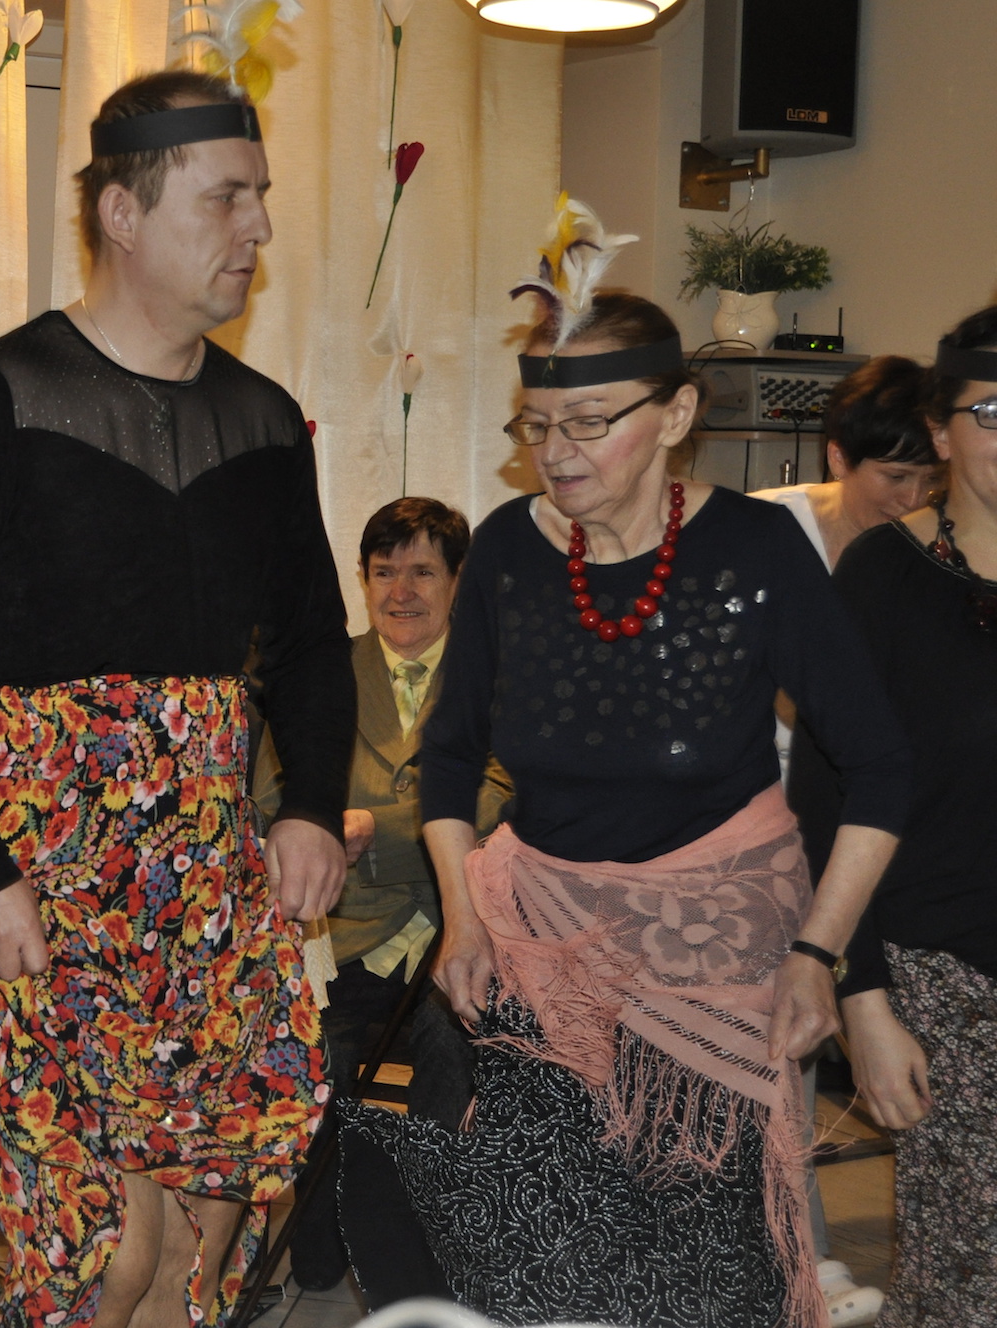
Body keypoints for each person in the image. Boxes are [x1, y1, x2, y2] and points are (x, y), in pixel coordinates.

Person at [0, 70, 356, 1328]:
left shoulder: (261, 422)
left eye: (260, 195)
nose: (257, 225)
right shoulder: (0, 397)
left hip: (205, 902)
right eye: (224, 196)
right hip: (35, 896)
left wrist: (309, 803)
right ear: (121, 213)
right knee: (105, 1259)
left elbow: (309, 642)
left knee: (196, 1254)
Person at [349, 199, 908, 1328]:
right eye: (535, 426)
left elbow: (881, 768)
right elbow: (449, 759)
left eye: (588, 423)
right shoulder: (508, 552)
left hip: (717, 965)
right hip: (537, 955)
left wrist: (818, 954)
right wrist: (463, 917)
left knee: (704, 1272)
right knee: (540, 1253)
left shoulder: (753, 550)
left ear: (676, 413)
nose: (553, 454)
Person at [790, 307, 997, 1326]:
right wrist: (863, 998)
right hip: (948, 981)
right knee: (968, 1281)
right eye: (992, 410)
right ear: (941, 430)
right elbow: (824, 794)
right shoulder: (881, 574)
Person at [253, 498, 509, 1298]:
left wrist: (368, 828)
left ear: (457, 581)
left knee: (454, 1047)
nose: (402, 591)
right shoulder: (322, 672)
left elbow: (500, 796)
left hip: (454, 926)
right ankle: (326, 1233)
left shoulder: (495, 670)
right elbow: (271, 799)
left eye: (423, 571)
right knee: (313, 1055)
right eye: (383, 571)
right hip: (341, 931)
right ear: (362, 581)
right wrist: (329, 827)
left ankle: (424, 1250)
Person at [751, 354, 938, 1326]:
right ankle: (804, 1259)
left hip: (870, 812)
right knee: (782, 1028)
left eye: (925, 478)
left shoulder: (928, 553)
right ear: (836, 457)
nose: (910, 498)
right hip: (759, 813)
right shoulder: (765, 533)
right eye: (891, 477)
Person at [753, 356, 942, 570]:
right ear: (839, 458)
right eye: (896, 477)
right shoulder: (759, 525)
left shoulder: (940, 549)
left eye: (933, 479)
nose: (914, 500)